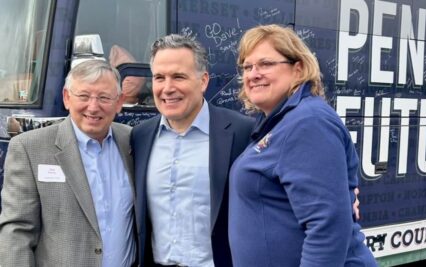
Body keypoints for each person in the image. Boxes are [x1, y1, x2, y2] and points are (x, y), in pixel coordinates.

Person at [228, 24, 377, 266]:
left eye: (265, 64)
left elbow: (326, 227)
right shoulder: (279, 122)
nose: (253, 74)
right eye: (247, 66)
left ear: (298, 69)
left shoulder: (308, 122)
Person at [131, 35, 254, 267]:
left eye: (179, 76)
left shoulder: (241, 132)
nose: (167, 88)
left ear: (203, 81)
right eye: (159, 78)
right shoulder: (139, 137)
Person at [0, 60, 136, 267]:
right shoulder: (30, 148)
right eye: (83, 96)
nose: (93, 106)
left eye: (104, 97)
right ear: (66, 98)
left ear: (119, 102)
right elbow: (16, 231)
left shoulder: (133, 141)